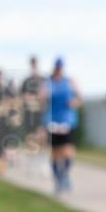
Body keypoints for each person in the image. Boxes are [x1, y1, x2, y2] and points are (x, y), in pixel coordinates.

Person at [44, 58, 83, 195]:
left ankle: (64, 174)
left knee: (68, 152)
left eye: (61, 68)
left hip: (67, 120)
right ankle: (58, 181)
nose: (59, 70)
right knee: (55, 153)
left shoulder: (70, 82)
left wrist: (75, 103)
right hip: (52, 120)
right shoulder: (48, 83)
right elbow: (42, 98)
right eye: (57, 68)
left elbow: (79, 98)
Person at [20, 56, 48, 175]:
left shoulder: (43, 80)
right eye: (32, 64)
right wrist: (29, 98)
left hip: (41, 113)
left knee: (42, 138)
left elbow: (45, 95)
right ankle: (31, 165)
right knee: (31, 140)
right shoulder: (26, 81)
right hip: (29, 114)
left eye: (35, 63)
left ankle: (43, 164)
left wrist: (40, 99)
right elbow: (22, 97)